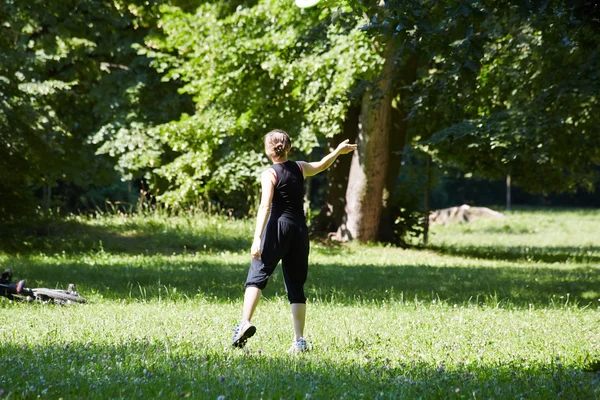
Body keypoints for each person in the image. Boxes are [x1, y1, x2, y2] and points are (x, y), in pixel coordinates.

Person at [231, 129, 357, 352]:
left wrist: (257, 238)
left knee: (258, 273)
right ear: (288, 147)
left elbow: (265, 206)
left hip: (278, 227)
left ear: (269, 150)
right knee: (296, 283)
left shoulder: (269, 173)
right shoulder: (300, 167)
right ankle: (299, 341)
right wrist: (337, 151)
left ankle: (244, 323)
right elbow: (321, 165)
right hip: (299, 230)